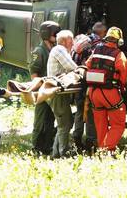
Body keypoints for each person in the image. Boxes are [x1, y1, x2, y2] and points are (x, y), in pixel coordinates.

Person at [86, 26, 127, 151]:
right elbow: (123, 76)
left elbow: (88, 65)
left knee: (100, 125)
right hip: (109, 93)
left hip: (94, 93)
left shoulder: (96, 50)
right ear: (119, 41)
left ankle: (103, 148)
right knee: (118, 124)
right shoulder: (119, 55)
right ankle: (105, 149)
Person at [29, 21, 61, 155]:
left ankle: (47, 146)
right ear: (48, 34)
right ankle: (36, 147)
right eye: (55, 33)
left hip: (50, 90)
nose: (57, 36)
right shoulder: (39, 51)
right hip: (42, 90)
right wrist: (39, 90)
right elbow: (34, 73)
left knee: (50, 120)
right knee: (40, 121)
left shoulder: (53, 49)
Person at [47, 30, 78, 158]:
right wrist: (81, 69)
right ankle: (63, 154)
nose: (73, 43)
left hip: (59, 92)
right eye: (71, 40)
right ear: (65, 41)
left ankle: (55, 153)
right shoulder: (60, 49)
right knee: (64, 123)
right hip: (57, 92)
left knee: (66, 122)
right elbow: (72, 66)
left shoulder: (58, 50)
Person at [71, 34, 96, 152]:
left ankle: (77, 139)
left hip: (77, 87)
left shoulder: (74, 50)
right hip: (87, 87)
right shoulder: (89, 51)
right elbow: (90, 68)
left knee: (79, 113)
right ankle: (90, 142)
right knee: (90, 113)